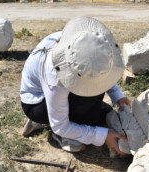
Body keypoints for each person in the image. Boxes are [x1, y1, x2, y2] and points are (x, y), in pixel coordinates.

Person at [20, 16, 131, 155]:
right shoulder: (56, 72)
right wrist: (103, 136)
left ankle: (54, 117)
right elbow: (60, 126)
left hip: (53, 94)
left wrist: (117, 95)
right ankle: (59, 133)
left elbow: (98, 70)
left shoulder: (83, 42)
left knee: (102, 109)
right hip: (36, 103)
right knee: (92, 106)